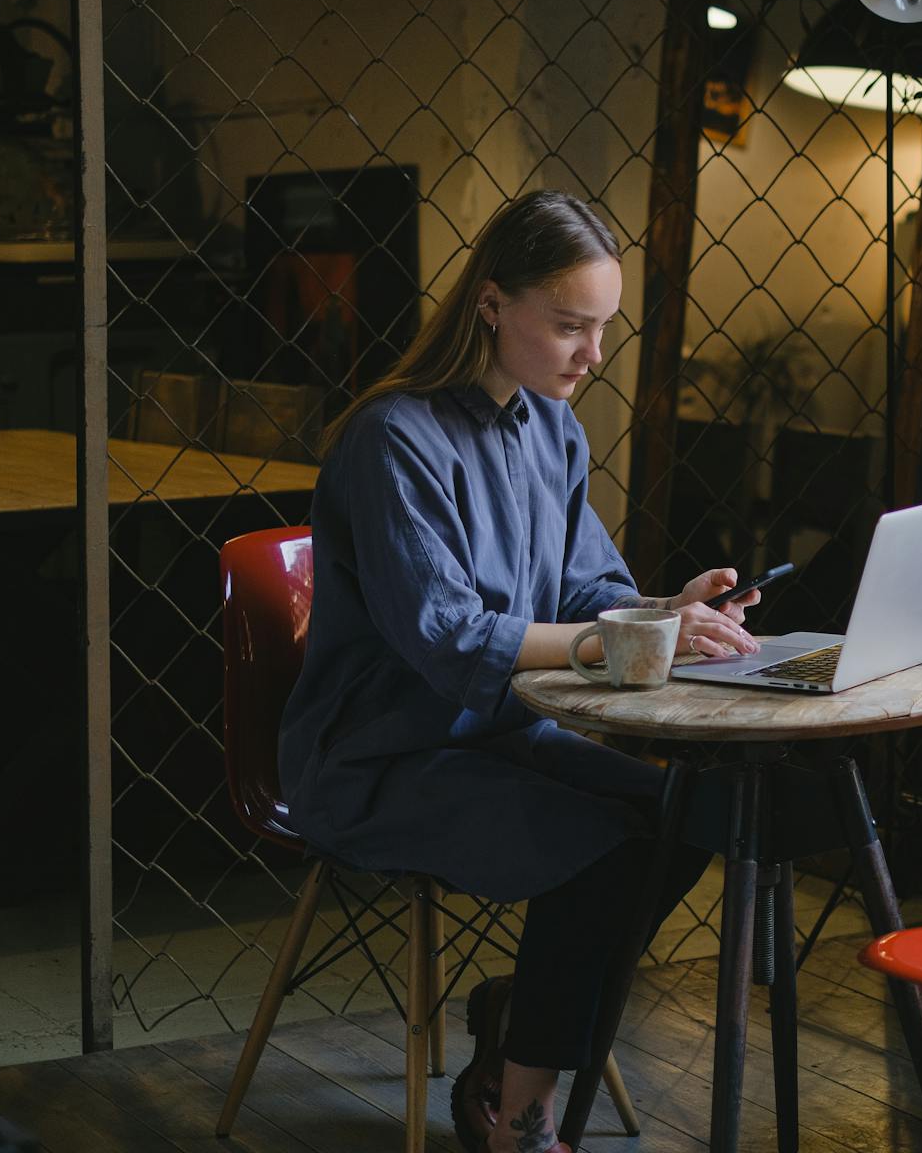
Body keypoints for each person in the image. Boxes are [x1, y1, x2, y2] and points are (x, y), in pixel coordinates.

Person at [279, 189, 762, 1153]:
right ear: (492, 304)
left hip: (493, 735)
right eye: (570, 326)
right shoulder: (393, 438)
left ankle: (523, 1022)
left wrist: (668, 616)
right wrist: (604, 644)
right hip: (376, 761)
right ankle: (522, 1113)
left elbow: (590, 589)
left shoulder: (552, 428)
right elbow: (450, 638)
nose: (592, 356)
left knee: (692, 816)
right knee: (608, 850)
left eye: (602, 329)